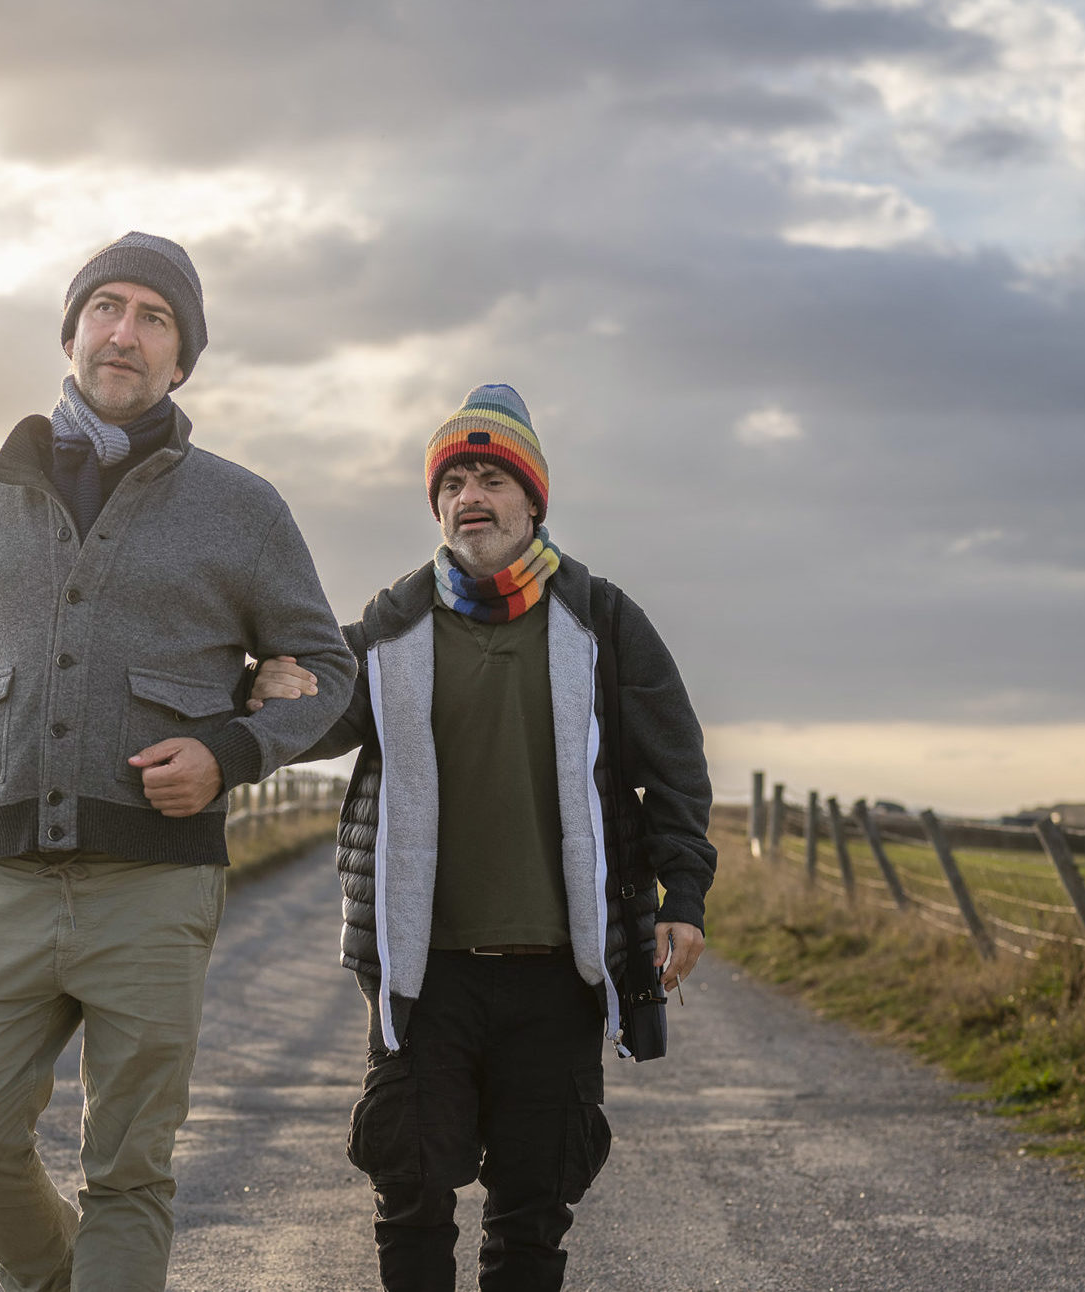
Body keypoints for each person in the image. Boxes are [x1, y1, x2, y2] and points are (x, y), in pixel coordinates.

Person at [0, 231, 356, 1292]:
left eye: (154, 317)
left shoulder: (243, 507)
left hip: (157, 887)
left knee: (130, 1167)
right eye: (107, 307)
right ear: (72, 330)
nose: (125, 331)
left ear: (183, 358)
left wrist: (229, 750)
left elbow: (326, 666)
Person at [250, 384, 716, 1290]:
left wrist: (682, 899)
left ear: (532, 499)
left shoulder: (604, 622)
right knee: (411, 1197)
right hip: (425, 975)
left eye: (492, 478)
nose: (471, 497)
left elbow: (677, 769)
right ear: (436, 504)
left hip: (561, 974)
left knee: (532, 1219)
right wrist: (266, 681)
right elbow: (305, 720)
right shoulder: (389, 628)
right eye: (453, 480)